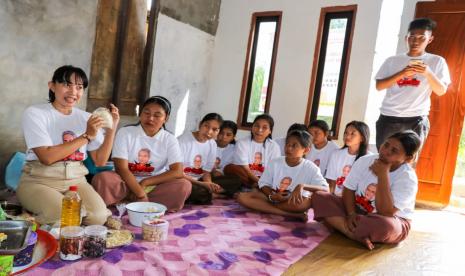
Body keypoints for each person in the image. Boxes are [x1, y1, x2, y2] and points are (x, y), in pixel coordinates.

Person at [17, 65, 119, 225]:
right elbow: (47, 157)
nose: (73, 92)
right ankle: (30, 220)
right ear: (52, 86)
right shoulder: (35, 113)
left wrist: (112, 128)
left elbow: (100, 161)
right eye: (66, 85)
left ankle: (54, 216)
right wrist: (86, 136)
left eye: (79, 87)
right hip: (39, 181)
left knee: (98, 216)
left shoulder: (87, 118)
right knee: (68, 217)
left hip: (76, 181)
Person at [311, 131, 422, 250]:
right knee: (319, 196)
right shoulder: (365, 160)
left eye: (394, 151)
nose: (385, 152)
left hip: (390, 219)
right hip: (357, 210)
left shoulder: (407, 178)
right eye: (386, 145)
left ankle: (340, 225)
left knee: (386, 227)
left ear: (408, 158)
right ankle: (353, 234)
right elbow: (348, 189)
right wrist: (351, 213)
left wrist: (382, 174)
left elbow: (386, 212)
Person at [91, 96, 191, 212]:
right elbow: (121, 168)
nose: (151, 118)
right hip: (125, 183)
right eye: (146, 113)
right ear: (140, 113)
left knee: (184, 185)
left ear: (166, 118)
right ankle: (143, 204)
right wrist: (140, 193)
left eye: (157, 115)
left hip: (154, 186)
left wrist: (145, 182)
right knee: (103, 178)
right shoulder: (126, 132)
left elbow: (177, 171)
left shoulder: (170, 139)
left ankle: (126, 202)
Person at [375, 18, 451, 150]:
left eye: (421, 37)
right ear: (406, 38)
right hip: (389, 116)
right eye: (412, 37)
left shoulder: (437, 61)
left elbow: (441, 91)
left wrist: (428, 72)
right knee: (384, 158)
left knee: (409, 161)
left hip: (416, 118)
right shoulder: (392, 60)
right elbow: (379, 86)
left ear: (430, 39)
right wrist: (402, 73)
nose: (415, 41)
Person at [237, 130, 328, 221]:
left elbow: (325, 188)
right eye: (287, 144)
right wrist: (271, 196)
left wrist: (302, 186)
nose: (288, 148)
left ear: (306, 150)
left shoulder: (311, 168)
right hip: (274, 197)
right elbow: (263, 183)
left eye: (294, 145)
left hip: (292, 202)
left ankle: (269, 207)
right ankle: (293, 215)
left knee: (305, 203)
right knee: (242, 197)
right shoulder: (275, 162)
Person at [179, 113, 241, 204]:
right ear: (200, 124)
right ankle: (214, 195)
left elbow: (206, 172)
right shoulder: (182, 141)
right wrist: (203, 185)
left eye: (215, 129)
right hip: (184, 180)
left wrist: (209, 184)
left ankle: (209, 193)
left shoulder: (212, 144)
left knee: (236, 180)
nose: (209, 132)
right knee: (186, 189)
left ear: (218, 131)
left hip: (200, 179)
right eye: (206, 126)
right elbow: (177, 173)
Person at [224, 114, 281, 188]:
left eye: (264, 127)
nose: (259, 130)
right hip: (247, 176)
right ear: (252, 127)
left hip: (265, 179)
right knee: (230, 168)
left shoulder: (274, 146)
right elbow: (245, 169)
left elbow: (274, 170)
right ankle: (256, 187)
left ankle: (253, 188)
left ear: (270, 131)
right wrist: (260, 183)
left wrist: (263, 182)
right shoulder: (242, 143)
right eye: (257, 126)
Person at [326, 121, 370, 195]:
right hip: (336, 197)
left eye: (352, 134)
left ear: (362, 138)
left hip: (355, 200)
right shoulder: (336, 154)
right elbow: (331, 180)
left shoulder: (369, 158)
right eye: (346, 133)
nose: (347, 136)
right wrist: (331, 197)